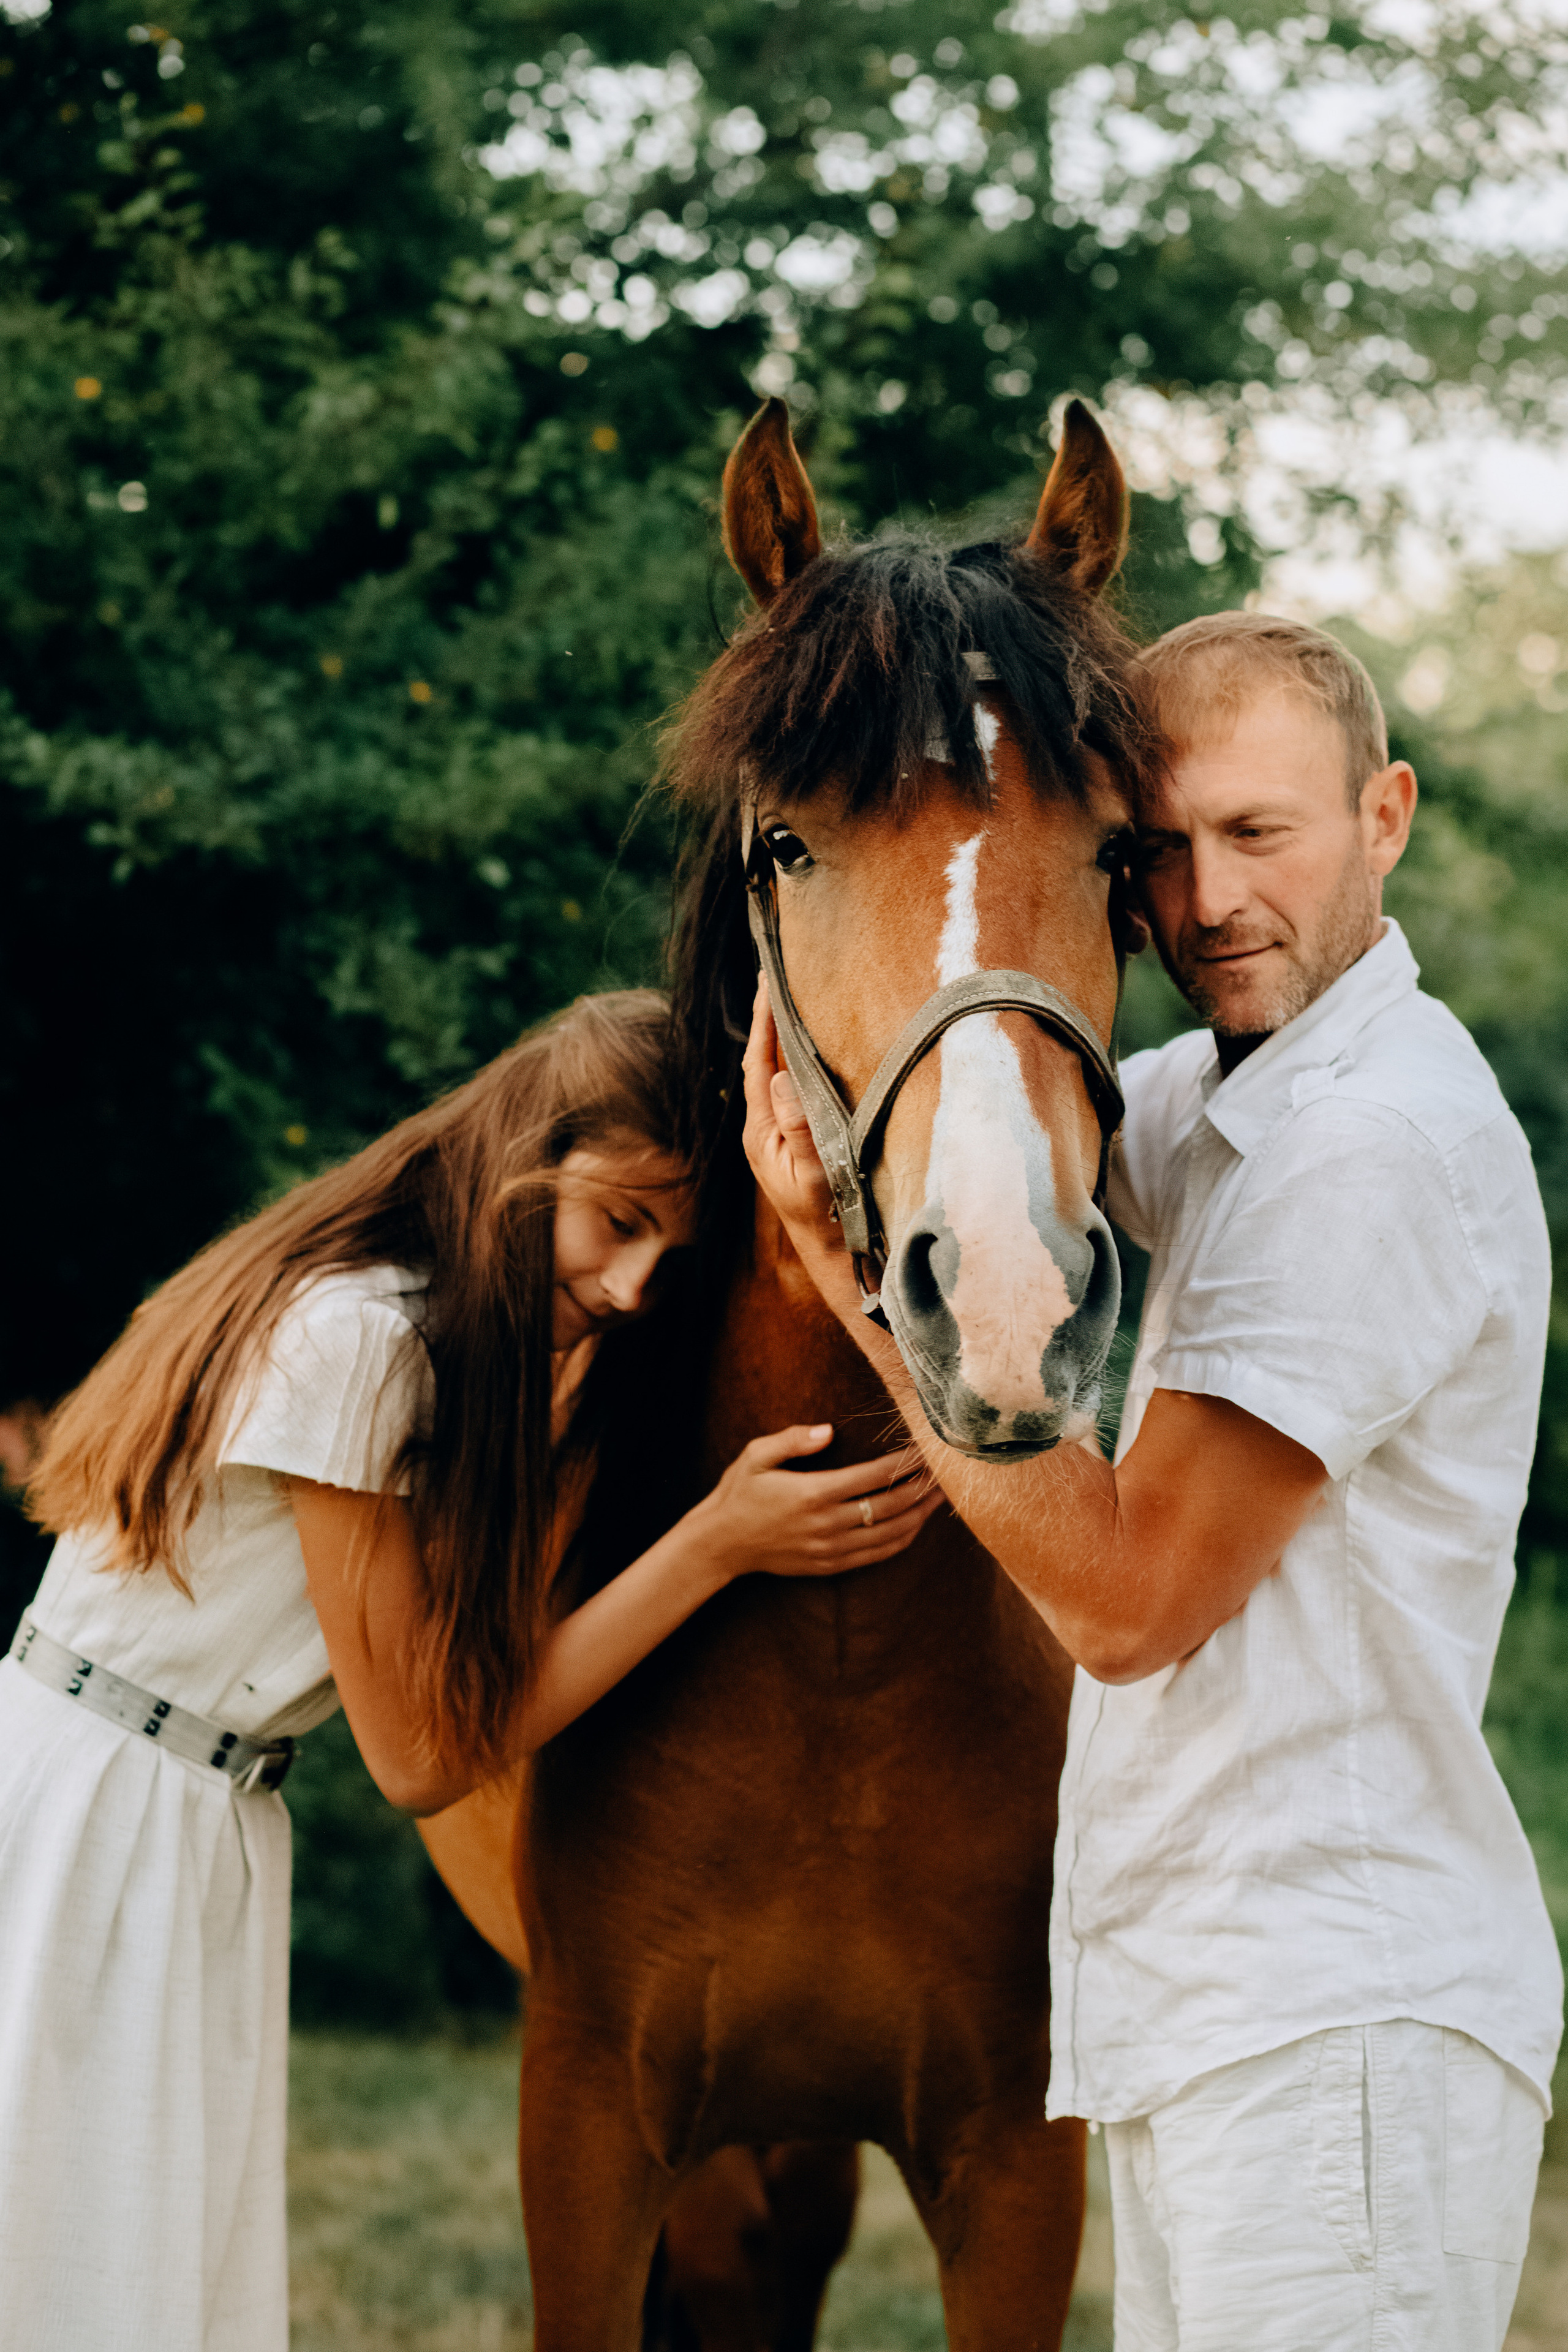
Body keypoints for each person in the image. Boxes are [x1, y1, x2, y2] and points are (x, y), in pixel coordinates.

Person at [742, 614, 1563, 2351]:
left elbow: (1126, 1605)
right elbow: (998, 1098)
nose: (1207, 904)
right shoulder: (1228, 1095)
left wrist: (845, 1274)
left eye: (1261, 835)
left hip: (1334, 2021)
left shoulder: (1367, 1144)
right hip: (1221, 2010)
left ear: (1387, 815)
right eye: (1160, 853)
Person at [0, 987, 935, 2352]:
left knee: (140, 2267)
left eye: (664, 1259)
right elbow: (424, 1759)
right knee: (67, 2258)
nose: (627, 1288)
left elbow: (475, 1686)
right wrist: (714, 1546)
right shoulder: (357, 1343)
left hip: (193, 1806)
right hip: (101, 1814)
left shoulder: (427, 1345)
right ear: (521, 1160)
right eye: (617, 1222)